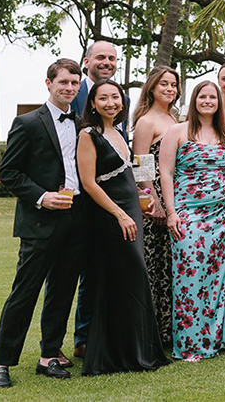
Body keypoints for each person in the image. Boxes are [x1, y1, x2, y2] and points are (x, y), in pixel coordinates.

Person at [0, 59, 86, 388]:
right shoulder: (27, 123)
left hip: (75, 221)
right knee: (24, 293)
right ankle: (0, 363)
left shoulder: (82, 123)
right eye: (63, 82)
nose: (69, 88)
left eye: (74, 82)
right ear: (49, 83)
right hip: (40, 223)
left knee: (61, 293)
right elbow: (9, 172)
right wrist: (43, 196)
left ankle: (49, 356)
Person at [75, 79, 170, 375]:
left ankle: (136, 349)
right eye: (103, 98)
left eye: (115, 98)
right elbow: (89, 183)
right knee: (123, 277)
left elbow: (138, 167)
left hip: (133, 211)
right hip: (111, 215)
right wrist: (120, 214)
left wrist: (147, 197)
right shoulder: (88, 135)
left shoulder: (118, 131)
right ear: (92, 103)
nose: (111, 103)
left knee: (131, 280)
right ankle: (113, 353)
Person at [159, 80, 225, 361]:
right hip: (187, 213)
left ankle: (215, 338)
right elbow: (166, 173)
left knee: (216, 278)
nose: (207, 101)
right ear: (194, 100)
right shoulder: (178, 131)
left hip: (222, 215)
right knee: (189, 276)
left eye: (212, 97)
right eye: (202, 96)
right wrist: (171, 213)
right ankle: (190, 344)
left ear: (218, 102)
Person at [69, 39, 125, 356]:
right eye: (100, 57)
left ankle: (95, 335)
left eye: (112, 58)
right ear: (87, 60)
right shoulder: (72, 92)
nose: (106, 62)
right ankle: (70, 341)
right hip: (78, 196)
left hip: (112, 199)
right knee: (74, 272)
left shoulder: (121, 99)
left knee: (102, 271)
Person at [131, 65, 181, 352]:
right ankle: (151, 332)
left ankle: (169, 328)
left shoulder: (174, 117)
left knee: (170, 267)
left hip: (175, 197)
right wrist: (154, 202)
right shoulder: (146, 121)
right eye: (164, 84)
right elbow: (141, 166)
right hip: (154, 203)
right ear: (151, 87)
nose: (169, 89)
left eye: (173, 85)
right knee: (154, 266)